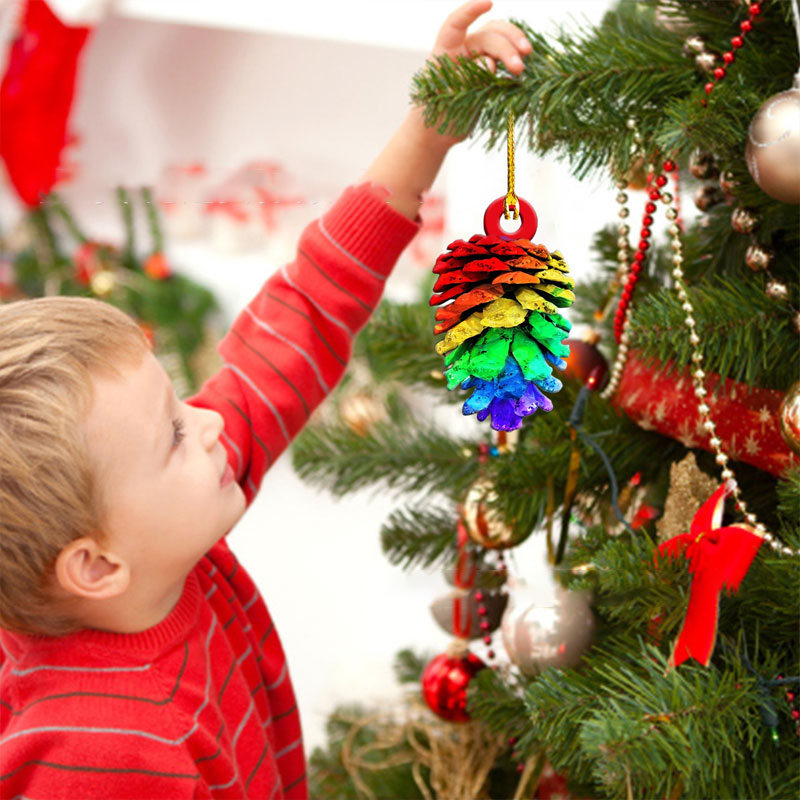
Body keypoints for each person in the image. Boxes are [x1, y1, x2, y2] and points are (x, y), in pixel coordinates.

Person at [0, 2, 531, 797]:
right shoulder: (100, 750)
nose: (210, 421)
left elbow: (303, 314)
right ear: (96, 564)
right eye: (173, 435)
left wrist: (427, 133)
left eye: (180, 405)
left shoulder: (157, 535)